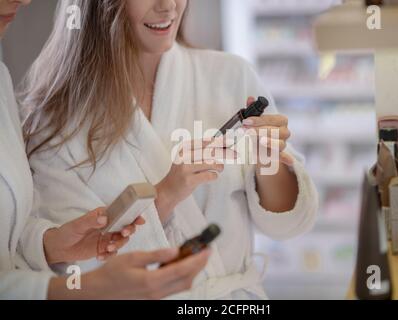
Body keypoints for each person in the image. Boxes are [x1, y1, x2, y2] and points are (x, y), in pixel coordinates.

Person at [23, 0, 319, 299]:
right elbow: (71, 265)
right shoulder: (58, 118)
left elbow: (288, 225)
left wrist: (269, 160)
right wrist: (165, 195)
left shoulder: (231, 75)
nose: (168, 6)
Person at [0, 0, 210, 300]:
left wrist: (48, 244)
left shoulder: (1, 81)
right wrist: (79, 289)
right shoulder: (58, 122)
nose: (167, 6)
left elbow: (10, 239)